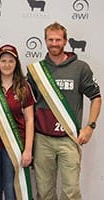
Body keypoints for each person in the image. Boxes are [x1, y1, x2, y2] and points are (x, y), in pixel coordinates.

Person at [27, 22, 102, 200]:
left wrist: (90, 126)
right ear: (45, 41)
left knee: (71, 192)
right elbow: (27, 104)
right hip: (42, 139)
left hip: (69, 138)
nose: (54, 43)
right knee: (44, 192)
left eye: (58, 39)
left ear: (65, 41)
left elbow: (96, 97)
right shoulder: (37, 71)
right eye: (51, 39)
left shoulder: (80, 68)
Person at [0, 44, 35, 200]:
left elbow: (30, 120)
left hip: (15, 144)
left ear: (16, 64)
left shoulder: (24, 87)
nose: (7, 65)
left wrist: (28, 150)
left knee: (11, 188)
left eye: (11, 61)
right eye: (3, 61)